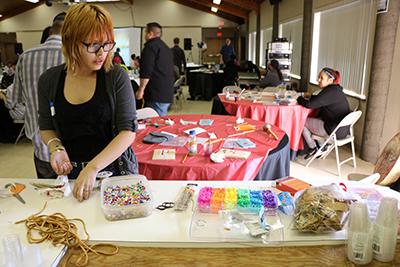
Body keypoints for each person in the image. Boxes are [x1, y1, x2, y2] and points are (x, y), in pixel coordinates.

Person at [38, 3, 139, 202]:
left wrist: (93, 167)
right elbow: (46, 126)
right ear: (71, 42)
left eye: (107, 44)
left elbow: (128, 131)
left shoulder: (115, 76)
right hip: (71, 174)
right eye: (93, 45)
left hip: (113, 172)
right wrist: (56, 147)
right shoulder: (49, 80)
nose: (102, 53)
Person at [11, 11, 66, 179]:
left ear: (50, 31)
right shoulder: (73, 55)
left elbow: (20, 99)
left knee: (47, 196)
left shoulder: (25, 56)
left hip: (39, 142)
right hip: (69, 143)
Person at [297, 67, 350, 159]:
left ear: (330, 80)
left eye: (322, 78)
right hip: (343, 131)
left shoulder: (329, 92)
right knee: (316, 119)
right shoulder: (335, 90)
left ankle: (312, 147)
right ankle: (322, 146)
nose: (318, 80)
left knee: (302, 122)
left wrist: (299, 98)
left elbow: (309, 105)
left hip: (333, 131)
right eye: (319, 77)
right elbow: (321, 100)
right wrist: (311, 96)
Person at [135, 22, 175, 116]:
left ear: (150, 33)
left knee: (157, 123)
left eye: (145, 32)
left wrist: (141, 90)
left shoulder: (150, 47)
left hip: (156, 93)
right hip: (167, 91)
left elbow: (146, 70)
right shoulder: (166, 48)